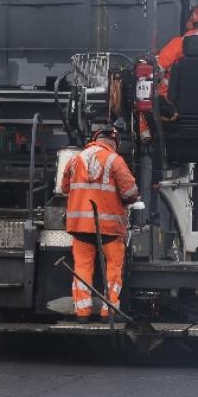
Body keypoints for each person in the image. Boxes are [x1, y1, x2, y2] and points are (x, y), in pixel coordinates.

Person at [58, 123, 141, 319]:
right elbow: (130, 192)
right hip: (109, 229)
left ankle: (82, 313)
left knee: (82, 268)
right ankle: (109, 312)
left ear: (95, 140)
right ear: (114, 143)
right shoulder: (115, 160)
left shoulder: (75, 160)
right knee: (113, 267)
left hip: (80, 227)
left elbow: (64, 189)